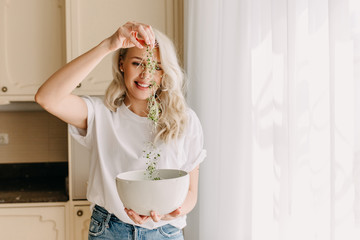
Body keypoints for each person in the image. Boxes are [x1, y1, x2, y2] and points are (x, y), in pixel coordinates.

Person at [35, 21, 206, 239]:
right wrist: (108, 45)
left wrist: (171, 212)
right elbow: (46, 98)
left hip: (165, 232)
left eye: (156, 67)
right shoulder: (100, 114)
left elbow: (191, 192)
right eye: (137, 63)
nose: (146, 75)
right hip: (109, 230)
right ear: (121, 64)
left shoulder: (185, 120)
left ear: (164, 73)